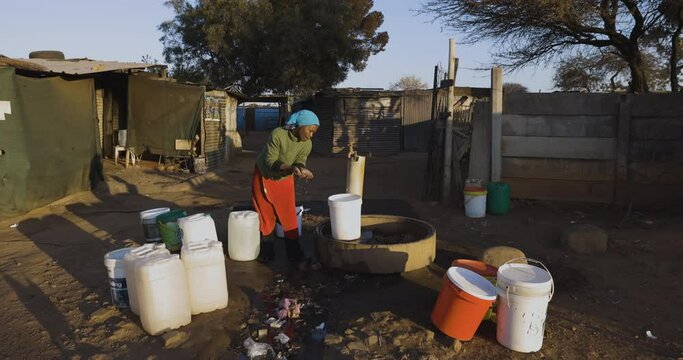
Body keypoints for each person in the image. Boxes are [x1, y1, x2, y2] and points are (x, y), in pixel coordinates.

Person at [251, 109, 320, 270]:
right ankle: (267, 251)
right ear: (300, 125)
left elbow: (300, 160)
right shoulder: (278, 134)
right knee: (265, 212)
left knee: (288, 215)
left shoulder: (307, 144)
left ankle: (295, 254)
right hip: (264, 174)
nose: (311, 135)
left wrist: (301, 169)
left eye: (314, 132)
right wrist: (290, 168)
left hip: (284, 178)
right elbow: (270, 161)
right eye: (310, 130)